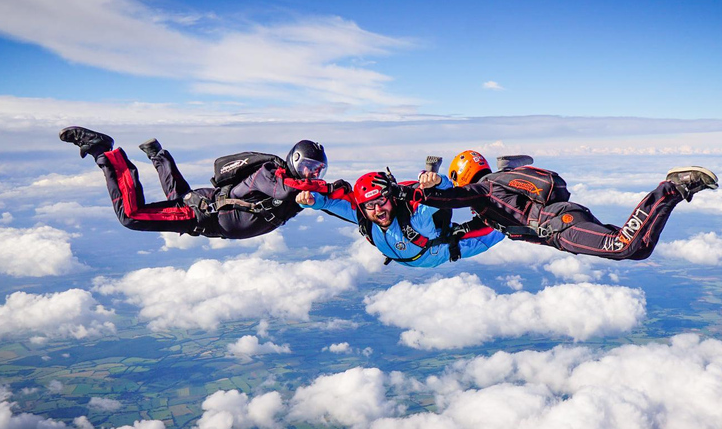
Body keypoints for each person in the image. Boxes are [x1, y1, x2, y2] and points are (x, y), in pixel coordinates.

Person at [378, 150, 718, 261]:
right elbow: (484, 221)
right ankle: (673, 191)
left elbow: (454, 197)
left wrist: (411, 194)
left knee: (621, 246)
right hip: (564, 219)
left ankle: (672, 187)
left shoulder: (484, 190)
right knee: (638, 249)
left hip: (561, 226)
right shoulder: (499, 185)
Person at [59, 126, 346, 239]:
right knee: (132, 216)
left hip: (206, 212)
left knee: (179, 197)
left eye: (319, 170)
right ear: (294, 159)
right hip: (204, 213)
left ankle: (157, 154)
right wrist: (330, 187)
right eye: (308, 167)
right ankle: (104, 151)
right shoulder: (272, 173)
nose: (312, 175)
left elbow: (319, 200)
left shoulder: (298, 187)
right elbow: (288, 190)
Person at [296, 168, 504, 267]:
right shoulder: (364, 218)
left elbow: (444, 196)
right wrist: (310, 200)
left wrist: (437, 182)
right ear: (362, 207)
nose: (378, 210)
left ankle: (505, 186)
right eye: (370, 205)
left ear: (393, 199)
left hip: (445, 250)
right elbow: (330, 202)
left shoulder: (415, 220)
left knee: (506, 225)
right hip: (418, 257)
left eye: (381, 201)